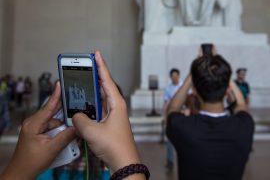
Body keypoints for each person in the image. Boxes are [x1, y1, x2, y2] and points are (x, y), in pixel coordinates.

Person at [0, 51, 149, 180]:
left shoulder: (41, 172)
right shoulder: (45, 172)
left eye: (99, 99)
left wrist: (17, 172)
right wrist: (127, 162)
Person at [166, 53, 254, 180]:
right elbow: (241, 105)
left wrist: (192, 75)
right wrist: (225, 76)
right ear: (227, 90)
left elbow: (173, 108)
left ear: (194, 90)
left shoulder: (183, 128)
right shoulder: (244, 126)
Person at [163, 68, 183, 170]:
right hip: (172, 116)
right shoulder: (168, 88)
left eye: (176, 76)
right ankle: (170, 161)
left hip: (183, 115)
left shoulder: (183, 87)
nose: (175, 78)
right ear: (171, 77)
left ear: (179, 76)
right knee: (170, 139)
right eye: (173, 76)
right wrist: (165, 117)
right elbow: (166, 104)